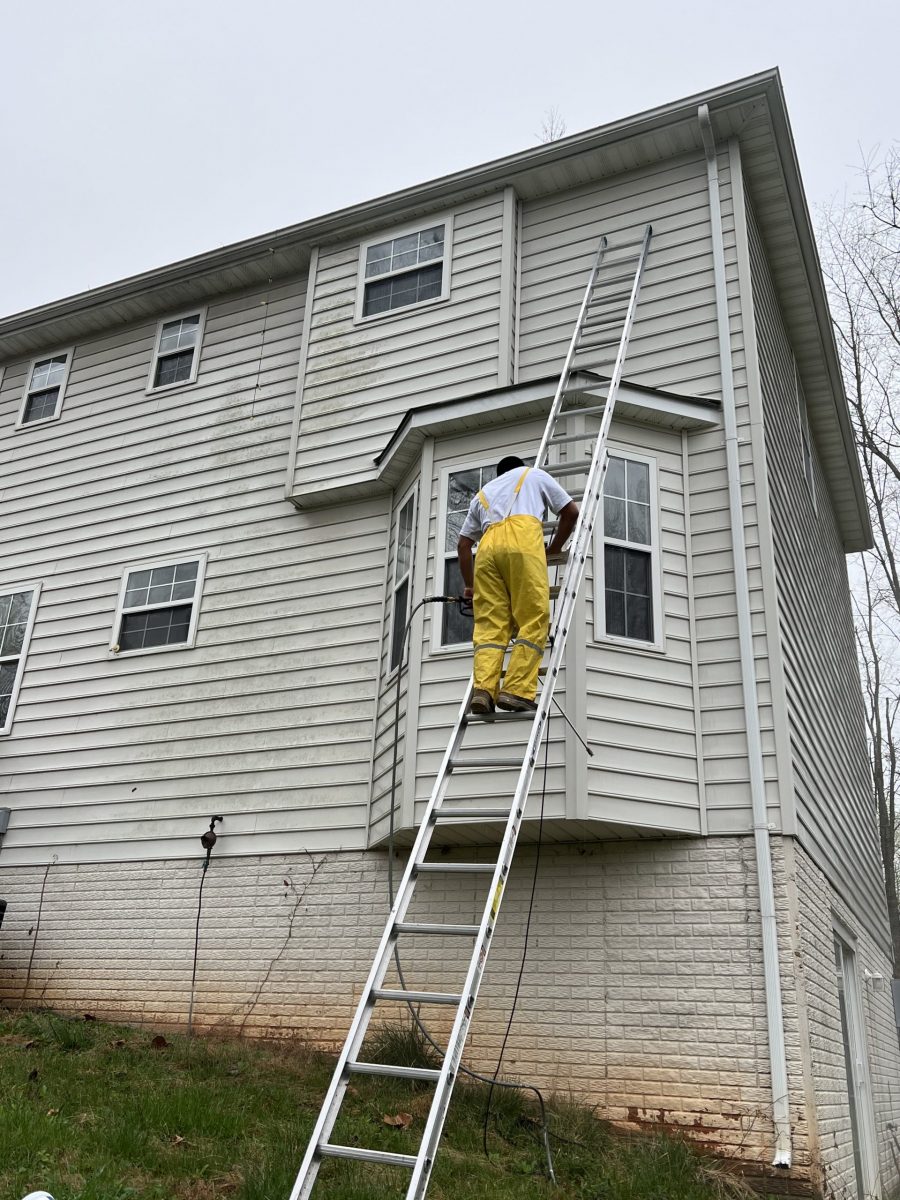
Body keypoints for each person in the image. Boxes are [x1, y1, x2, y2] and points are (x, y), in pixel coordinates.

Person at [456, 455, 579, 715]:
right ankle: (515, 691)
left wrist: (470, 586)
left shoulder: (482, 495)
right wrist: (554, 549)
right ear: (519, 467)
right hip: (522, 544)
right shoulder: (533, 475)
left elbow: (464, 545)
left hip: (487, 550)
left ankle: (484, 691)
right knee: (533, 616)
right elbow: (571, 512)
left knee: (490, 627)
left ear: (499, 475)